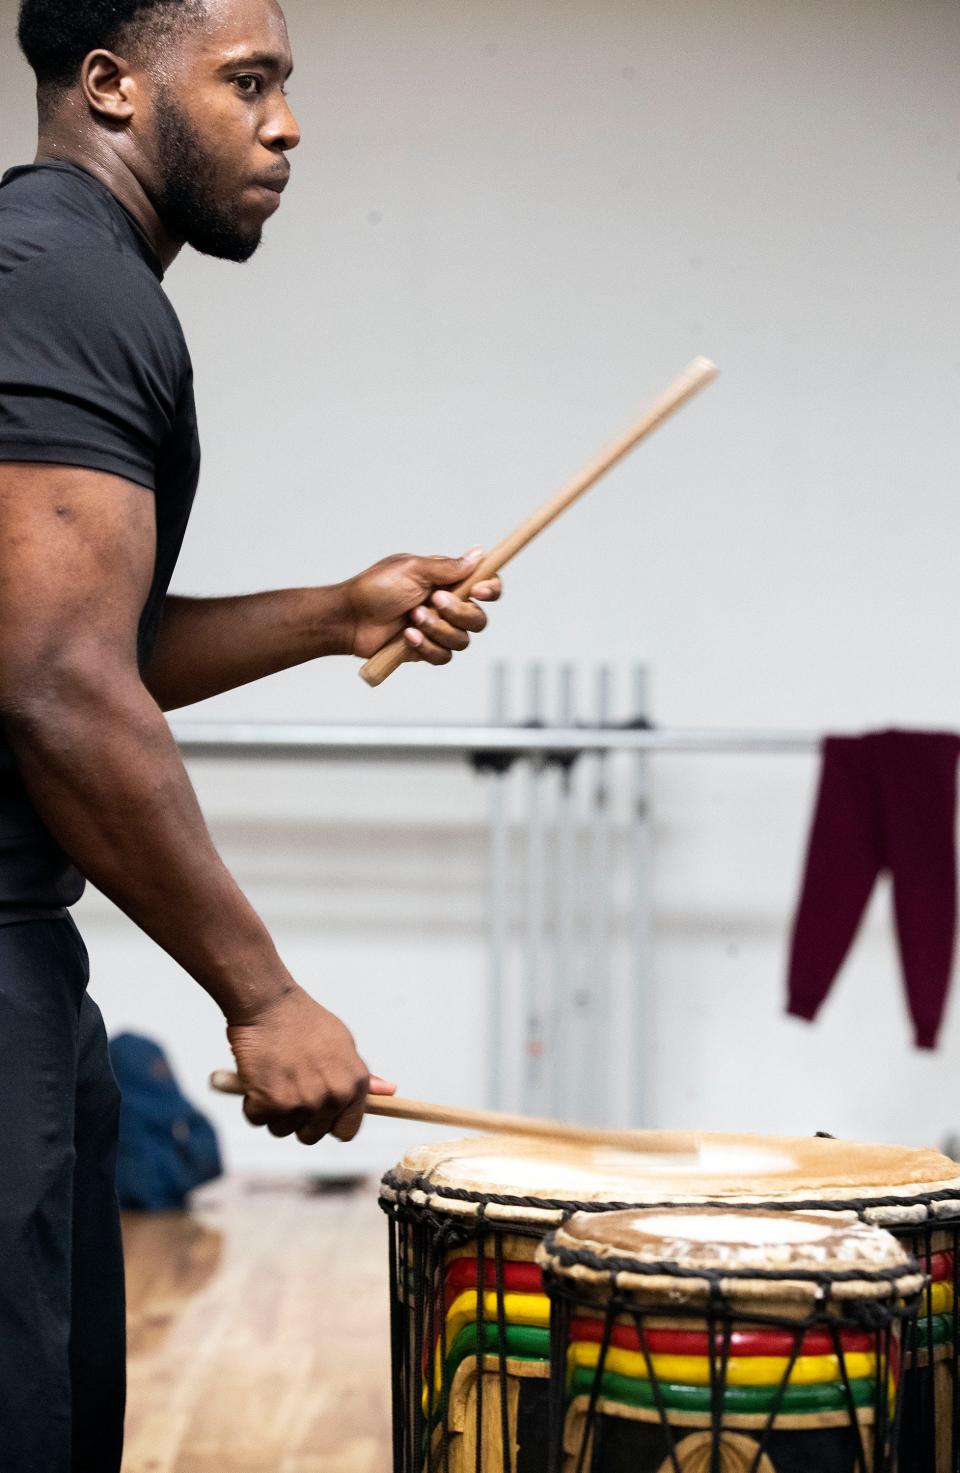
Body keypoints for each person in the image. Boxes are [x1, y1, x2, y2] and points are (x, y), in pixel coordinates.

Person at [0, 0, 502, 1467]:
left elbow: (83, 636)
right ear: (108, 85)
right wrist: (266, 995)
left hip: (31, 949)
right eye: (249, 83)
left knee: (71, 1412)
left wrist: (337, 612)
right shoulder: (65, 283)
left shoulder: (65, 276)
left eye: (286, 85)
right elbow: (55, 682)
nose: (287, 125)